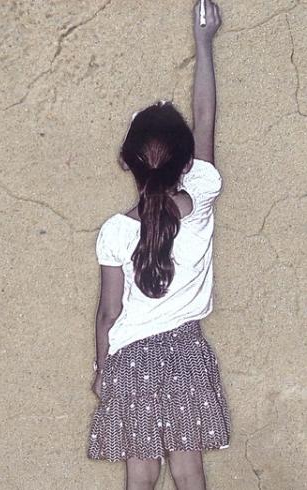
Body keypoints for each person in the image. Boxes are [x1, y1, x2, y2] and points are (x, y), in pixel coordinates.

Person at [87, 2, 229, 489]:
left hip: (129, 360)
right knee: (189, 471)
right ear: (187, 163)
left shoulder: (114, 231)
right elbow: (205, 118)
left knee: (140, 475)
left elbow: (108, 313)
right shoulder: (201, 198)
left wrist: (103, 370)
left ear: (125, 162)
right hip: (185, 354)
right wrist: (204, 44)